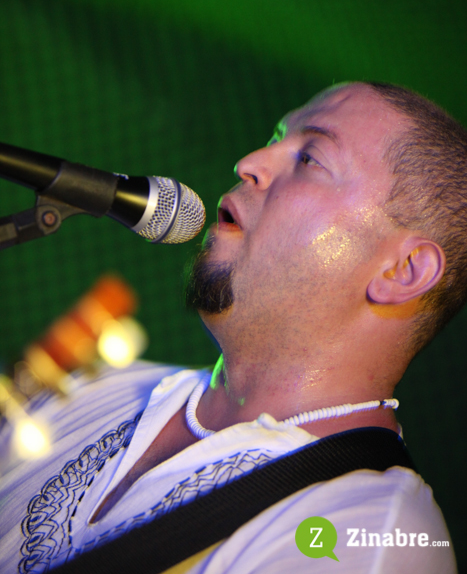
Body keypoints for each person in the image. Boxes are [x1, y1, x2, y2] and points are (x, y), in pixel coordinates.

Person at [0, 81, 461, 573]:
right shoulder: (86, 388)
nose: (249, 163)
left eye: (310, 158)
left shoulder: (371, 539)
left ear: (403, 271)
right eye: (274, 137)